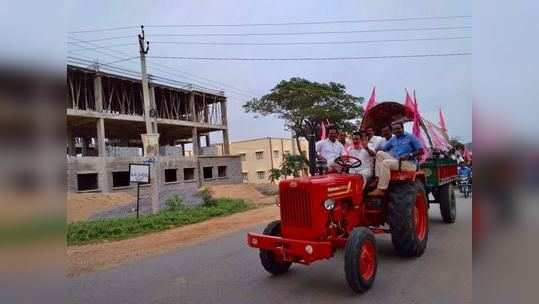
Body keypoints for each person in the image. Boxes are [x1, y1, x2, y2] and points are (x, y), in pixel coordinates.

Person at [368, 121, 423, 196]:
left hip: (409, 163)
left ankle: (381, 189)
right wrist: (371, 149)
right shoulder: (393, 139)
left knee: (386, 163)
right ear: (392, 131)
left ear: (402, 128)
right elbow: (384, 149)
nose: (397, 131)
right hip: (397, 161)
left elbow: (421, 150)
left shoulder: (410, 137)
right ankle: (378, 178)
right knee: (379, 154)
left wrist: (410, 155)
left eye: (398, 128)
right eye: (394, 129)